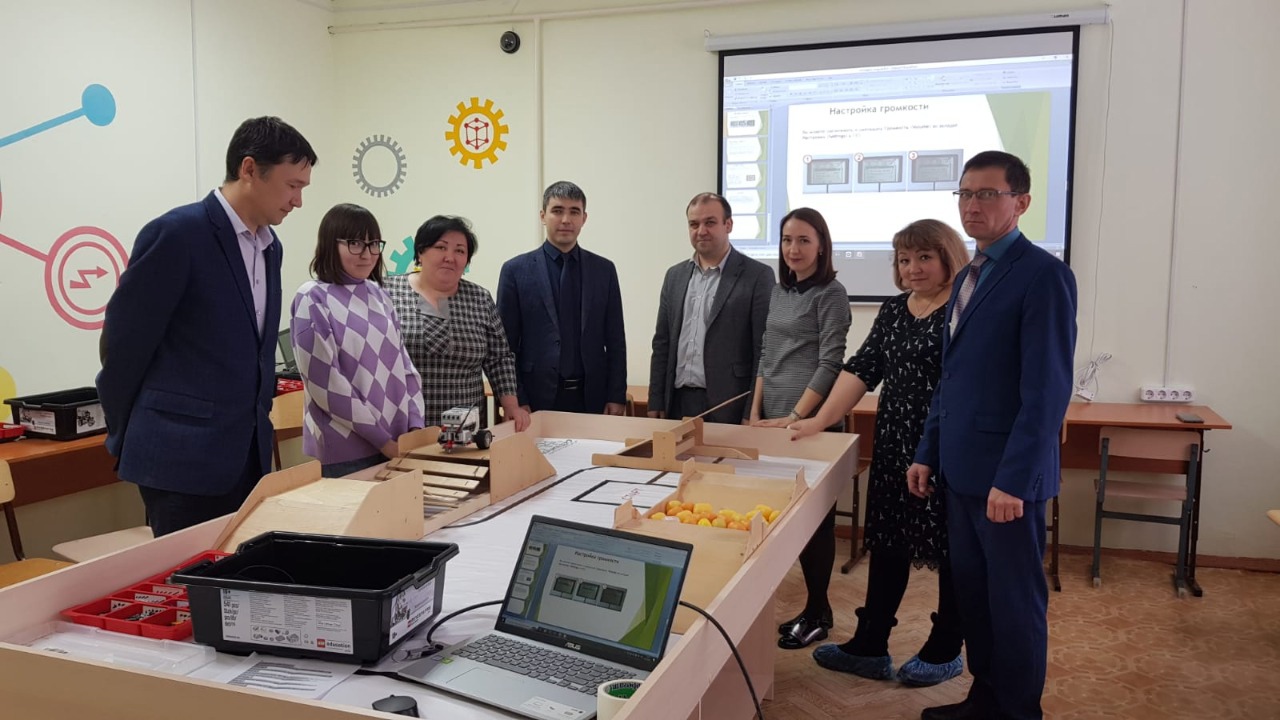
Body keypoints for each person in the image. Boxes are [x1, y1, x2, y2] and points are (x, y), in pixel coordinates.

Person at [908, 151, 1077, 720]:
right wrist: (928, 452)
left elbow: (1046, 392)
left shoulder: (1044, 275)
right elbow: (951, 378)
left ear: (1021, 202)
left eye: (987, 194)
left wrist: (1015, 480)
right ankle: (985, 700)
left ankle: (1019, 711)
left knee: (1013, 603)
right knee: (976, 598)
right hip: (960, 472)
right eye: (965, 194)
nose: (972, 205)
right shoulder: (968, 276)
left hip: (1007, 483)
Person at [97, 116, 316, 537]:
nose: (298, 201)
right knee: (189, 576)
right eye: (292, 185)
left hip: (246, 454)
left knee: (240, 570)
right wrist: (125, 434)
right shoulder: (179, 234)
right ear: (249, 169)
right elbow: (123, 347)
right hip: (179, 458)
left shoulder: (270, 247)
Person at [791, 219, 971, 687]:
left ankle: (946, 649)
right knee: (889, 544)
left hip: (945, 449)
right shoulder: (894, 310)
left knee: (951, 550)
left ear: (948, 257)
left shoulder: (965, 309)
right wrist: (818, 420)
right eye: (904, 259)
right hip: (893, 447)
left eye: (924, 257)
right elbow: (862, 369)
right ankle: (870, 645)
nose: (913, 268)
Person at [747, 208, 850, 650]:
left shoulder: (831, 293)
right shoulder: (779, 291)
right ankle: (811, 610)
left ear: (821, 245)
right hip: (772, 422)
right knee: (782, 519)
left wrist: (796, 416)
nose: (794, 248)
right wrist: (754, 413)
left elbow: (830, 362)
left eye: (804, 240)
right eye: (787, 240)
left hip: (811, 426)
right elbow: (766, 356)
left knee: (816, 524)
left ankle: (818, 612)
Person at [289, 203, 425, 478]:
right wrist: (382, 441)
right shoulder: (312, 297)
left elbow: (404, 365)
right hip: (347, 452)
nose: (367, 254)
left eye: (373, 244)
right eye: (355, 243)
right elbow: (326, 386)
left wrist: (415, 425)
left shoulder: (378, 293)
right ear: (330, 244)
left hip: (398, 443)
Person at [384, 215, 530, 432]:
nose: (450, 257)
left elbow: (499, 358)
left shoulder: (479, 298)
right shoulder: (387, 292)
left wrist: (511, 405)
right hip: (403, 427)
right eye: (440, 247)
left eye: (460, 251)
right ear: (420, 252)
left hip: (466, 429)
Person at [497, 181, 627, 415]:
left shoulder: (604, 270)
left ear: (584, 218)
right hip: (535, 398)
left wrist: (616, 395)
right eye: (557, 211)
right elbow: (505, 345)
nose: (566, 219)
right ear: (543, 216)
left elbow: (615, 338)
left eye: (574, 212)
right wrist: (516, 398)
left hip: (592, 397)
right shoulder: (515, 270)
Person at [648, 192, 773, 424]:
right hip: (677, 402)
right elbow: (662, 343)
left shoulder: (757, 276)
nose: (701, 231)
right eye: (694, 224)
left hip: (730, 404)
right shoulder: (674, 276)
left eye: (710, 222)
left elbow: (763, 351)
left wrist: (751, 411)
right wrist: (656, 400)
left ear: (728, 225)